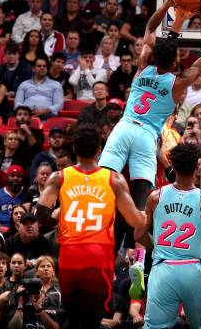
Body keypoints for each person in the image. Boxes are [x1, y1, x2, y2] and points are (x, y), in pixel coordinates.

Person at [98, 0, 201, 271]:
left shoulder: (142, 67)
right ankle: (139, 258)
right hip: (148, 138)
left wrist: (168, 6)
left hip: (124, 128)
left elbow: (151, 27)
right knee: (141, 199)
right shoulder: (178, 82)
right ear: (175, 61)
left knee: (103, 183)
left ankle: (99, 241)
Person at [35, 124, 145, 328]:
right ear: (99, 150)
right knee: (94, 318)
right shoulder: (115, 179)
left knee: (73, 315)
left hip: (70, 252)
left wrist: (59, 218)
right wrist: (147, 214)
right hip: (99, 254)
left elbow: (41, 214)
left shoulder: (59, 177)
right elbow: (135, 221)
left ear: (74, 148)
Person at [134, 142, 201, 328]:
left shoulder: (155, 196)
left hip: (162, 271)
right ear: (197, 167)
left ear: (173, 167)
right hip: (192, 271)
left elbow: (139, 234)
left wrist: (155, 245)